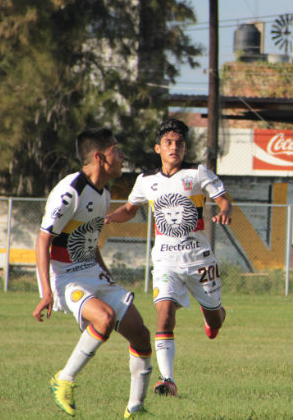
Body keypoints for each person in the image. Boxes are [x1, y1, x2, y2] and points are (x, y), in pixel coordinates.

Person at [105, 118, 231, 398]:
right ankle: (168, 380)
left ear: (185, 148)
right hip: (165, 261)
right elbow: (130, 208)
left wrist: (225, 210)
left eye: (179, 143)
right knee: (163, 317)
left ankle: (212, 317)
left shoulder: (199, 174)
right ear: (158, 148)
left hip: (200, 259)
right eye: (168, 143)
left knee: (216, 320)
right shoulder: (146, 181)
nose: (174, 147)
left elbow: (224, 200)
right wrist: (111, 217)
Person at [33, 128, 152, 419]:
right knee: (105, 319)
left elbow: (88, 239)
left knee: (141, 337)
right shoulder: (70, 190)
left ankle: (135, 410)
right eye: (116, 150)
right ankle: (64, 379)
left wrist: (106, 274)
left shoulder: (104, 192)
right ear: (100, 157)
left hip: (93, 273)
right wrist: (46, 292)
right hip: (68, 277)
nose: (122, 155)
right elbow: (43, 239)